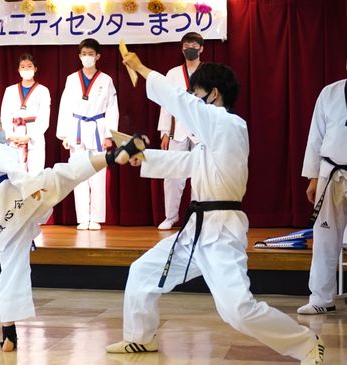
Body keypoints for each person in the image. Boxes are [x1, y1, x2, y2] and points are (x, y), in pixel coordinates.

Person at [105, 53, 325, 365]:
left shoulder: (229, 124)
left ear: (213, 94)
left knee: (237, 309)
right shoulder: (212, 140)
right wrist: (143, 156)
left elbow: (181, 102)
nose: (193, 101)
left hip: (221, 231)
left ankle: (305, 343)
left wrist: (141, 69)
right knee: (142, 271)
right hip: (196, 230)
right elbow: (187, 162)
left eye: (197, 93)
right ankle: (140, 339)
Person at [0, 108, 144, 352]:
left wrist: (1, 213)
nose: (4, 130)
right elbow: (15, 170)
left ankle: (8, 333)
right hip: (18, 198)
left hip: (0, 221)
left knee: (11, 270)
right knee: (63, 174)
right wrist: (30, 188)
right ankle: (114, 155)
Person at [297, 71, 347, 316]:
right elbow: (315, 137)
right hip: (331, 173)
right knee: (325, 236)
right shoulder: (330, 92)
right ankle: (321, 297)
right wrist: (313, 177)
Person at [56, 38, 119, 230]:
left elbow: (112, 108)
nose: (87, 58)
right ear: (79, 56)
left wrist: (109, 135)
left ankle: (96, 217)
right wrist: (65, 134)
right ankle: (83, 217)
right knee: (78, 173)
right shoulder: (71, 79)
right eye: (84, 54)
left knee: (98, 174)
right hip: (77, 128)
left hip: (98, 128)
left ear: (98, 56)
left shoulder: (106, 79)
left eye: (91, 54)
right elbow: (64, 107)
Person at [156, 32, 204, 230]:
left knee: (201, 175)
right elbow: (165, 102)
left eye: (193, 45)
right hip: (178, 128)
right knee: (173, 175)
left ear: (201, 48)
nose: (189, 48)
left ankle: (196, 217)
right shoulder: (173, 73)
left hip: (202, 128)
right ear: (182, 48)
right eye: (186, 45)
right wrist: (164, 131)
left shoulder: (208, 71)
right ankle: (170, 216)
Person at [0, 53, 51, 175]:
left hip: (34, 138)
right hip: (14, 138)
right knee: (15, 176)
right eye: (22, 67)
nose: (26, 69)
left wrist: (29, 137)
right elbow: (4, 115)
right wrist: (11, 136)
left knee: (35, 176)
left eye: (29, 66)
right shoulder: (10, 90)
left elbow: (44, 119)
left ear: (35, 69)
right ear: (18, 70)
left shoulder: (43, 91)